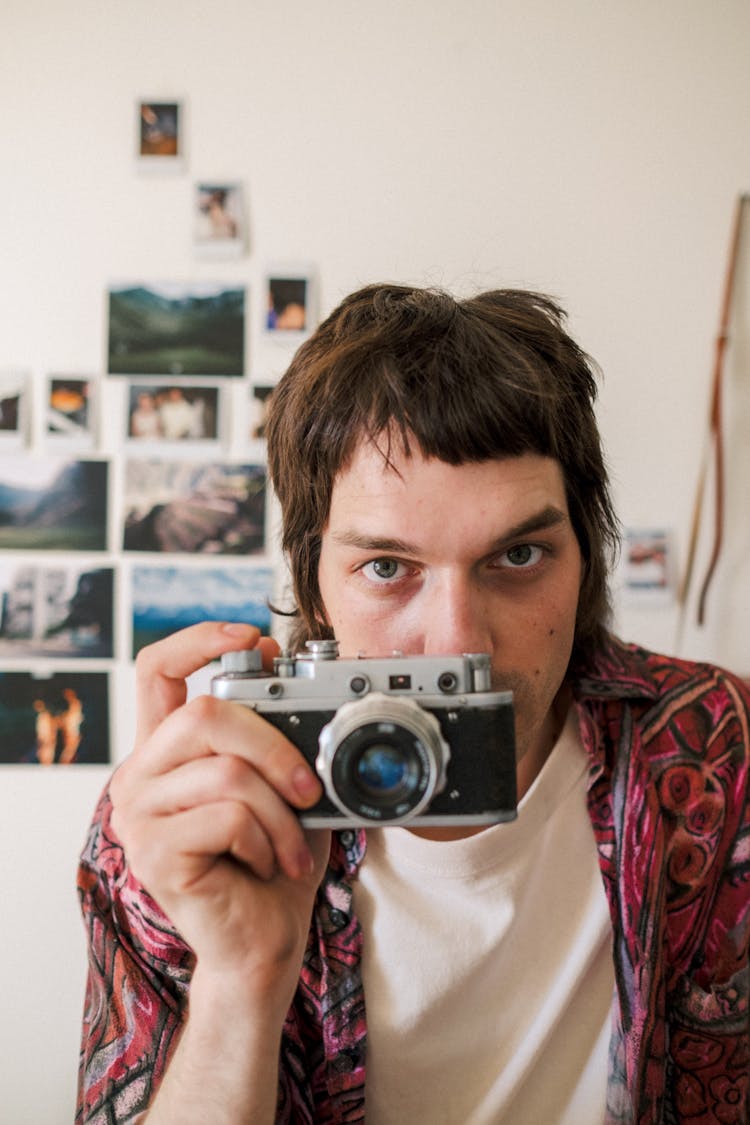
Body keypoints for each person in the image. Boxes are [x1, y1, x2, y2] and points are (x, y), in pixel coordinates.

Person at [76, 285, 749, 1124]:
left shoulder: (716, 753)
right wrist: (240, 983)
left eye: (520, 553)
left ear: (586, 555)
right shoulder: (193, 803)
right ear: (313, 583)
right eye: (388, 568)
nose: (457, 640)